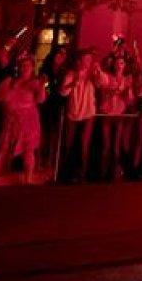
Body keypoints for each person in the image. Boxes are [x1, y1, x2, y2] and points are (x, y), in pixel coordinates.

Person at [0, 57, 47, 185]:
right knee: (1, 149)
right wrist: (5, 100)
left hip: (28, 120)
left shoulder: (35, 83)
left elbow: (41, 100)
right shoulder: (9, 81)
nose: (25, 68)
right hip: (11, 119)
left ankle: (28, 179)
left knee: (28, 149)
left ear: (32, 68)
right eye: (23, 65)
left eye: (28, 66)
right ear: (18, 67)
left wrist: (41, 86)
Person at [60, 50, 101, 182]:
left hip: (88, 113)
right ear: (80, 61)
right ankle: (67, 173)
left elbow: (102, 83)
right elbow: (63, 92)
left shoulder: (92, 75)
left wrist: (98, 72)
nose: (88, 62)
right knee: (69, 143)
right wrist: (73, 83)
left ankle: (82, 174)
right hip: (73, 113)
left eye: (90, 59)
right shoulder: (71, 74)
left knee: (84, 144)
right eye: (86, 59)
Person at [97, 55, 134, 180]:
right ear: (114, 65)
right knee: (106, 144)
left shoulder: (126, 80)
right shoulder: (108, 78)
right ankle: (103, 172)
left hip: (119, 113)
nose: (119, 65)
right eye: (118, 62)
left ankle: (114, 172)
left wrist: (127, 91)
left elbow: (130, 101)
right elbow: (102, 95)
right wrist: (111, 91)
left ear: (124, 66)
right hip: (107, 113)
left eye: (122, 63)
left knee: (116, 144)